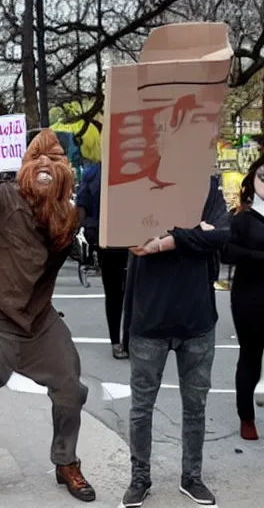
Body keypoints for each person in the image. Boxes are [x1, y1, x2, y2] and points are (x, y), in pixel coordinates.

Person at [0, 129, 96, 505]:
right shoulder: (4, 196)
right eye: (37, 157)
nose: (47, 163)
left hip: (38, 318)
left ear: (67, 169)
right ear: (24, 166)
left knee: (69, 388)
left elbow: (111, 215)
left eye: (57, 157)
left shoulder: (69, 214)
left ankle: (66, 461)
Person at [120, 175, 229, 507]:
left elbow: (222, 235)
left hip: (196, 319)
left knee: (195, 407)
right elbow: (126, 236)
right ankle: (140, 478)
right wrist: (195, 234)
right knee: (141, 408)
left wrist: (164, 242)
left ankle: (191, 477)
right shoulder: (137, 185)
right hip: (149, 319)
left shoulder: (206, 186)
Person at [223, 157, 264, 440]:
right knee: (251, 355)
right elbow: (227, 252)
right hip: (251, 294)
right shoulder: (242, 217)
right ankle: (246, 416)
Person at [76, 162, 129, 359]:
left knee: (114, 292)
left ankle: (117, 341)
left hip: (105, 237)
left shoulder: (93, 172)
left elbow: (82, 205)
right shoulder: (96, 172)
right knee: (129, 291)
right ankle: (123, 340)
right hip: (121, 236)